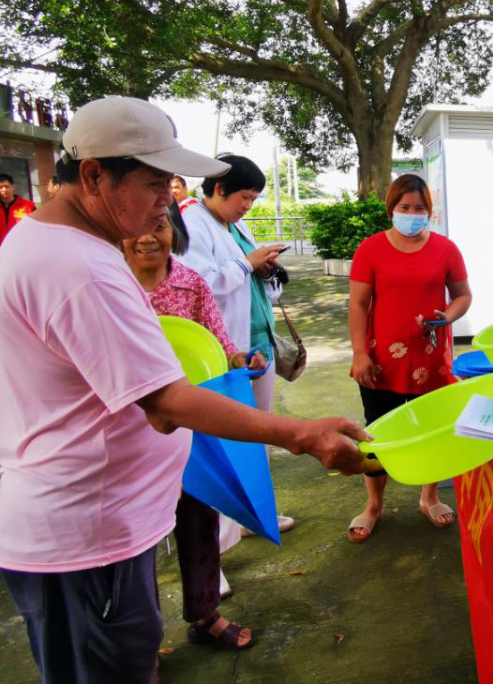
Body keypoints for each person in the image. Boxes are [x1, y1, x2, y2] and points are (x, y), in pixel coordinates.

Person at [0, 96, 366, 684]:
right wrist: (303, 434)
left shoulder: (55, 245)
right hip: (84, 534)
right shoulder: (79, 268)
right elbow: (166, 403)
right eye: (153, 184)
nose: (167, 201)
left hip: (98, 525)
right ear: (92, 175)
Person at [122, 202, 265, 650]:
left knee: (199, 516)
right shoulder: (107, 285)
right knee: (134, 539)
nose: (148, 236)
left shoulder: (190, 283)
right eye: (137, 225)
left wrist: (242, 360)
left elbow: (219, 345)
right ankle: (141, 642)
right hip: (125, 429)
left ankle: (205, 614)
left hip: (190, 426)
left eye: (160, 225)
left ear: (175, 232)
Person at [347, 174, 472, 543]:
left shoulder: (446, 249)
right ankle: (373, 505)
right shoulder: (370, 249)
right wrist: (359, 354)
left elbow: (463, 296)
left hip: (432, 362)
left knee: (431, 432)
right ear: (392, 209)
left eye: (420, 208)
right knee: (376, 435)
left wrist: (447, 317)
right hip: (380, 362)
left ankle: (429, 497)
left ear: (429, 212)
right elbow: (358, 305)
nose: (413, 214)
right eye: (405, 207)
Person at [180, 154, 296, 539]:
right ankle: (228, 526)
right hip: (228, 347)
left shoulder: (232, 223)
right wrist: (248, 264)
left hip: (257, 340)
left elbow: (248, 273)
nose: (248, 206)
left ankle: (256, 512)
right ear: (218, 189)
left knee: (258, 433)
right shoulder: (193, 223)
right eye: (244, 197)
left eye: (253, 199)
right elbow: (202, 285)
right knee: (229, 440)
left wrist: (265, 267)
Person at [0, 172, 36, 248]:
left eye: (7, 186)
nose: (4, 190)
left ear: (13, 187)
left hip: (21, 248)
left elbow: (36, 228)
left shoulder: (29, 206)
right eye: (0, 187)